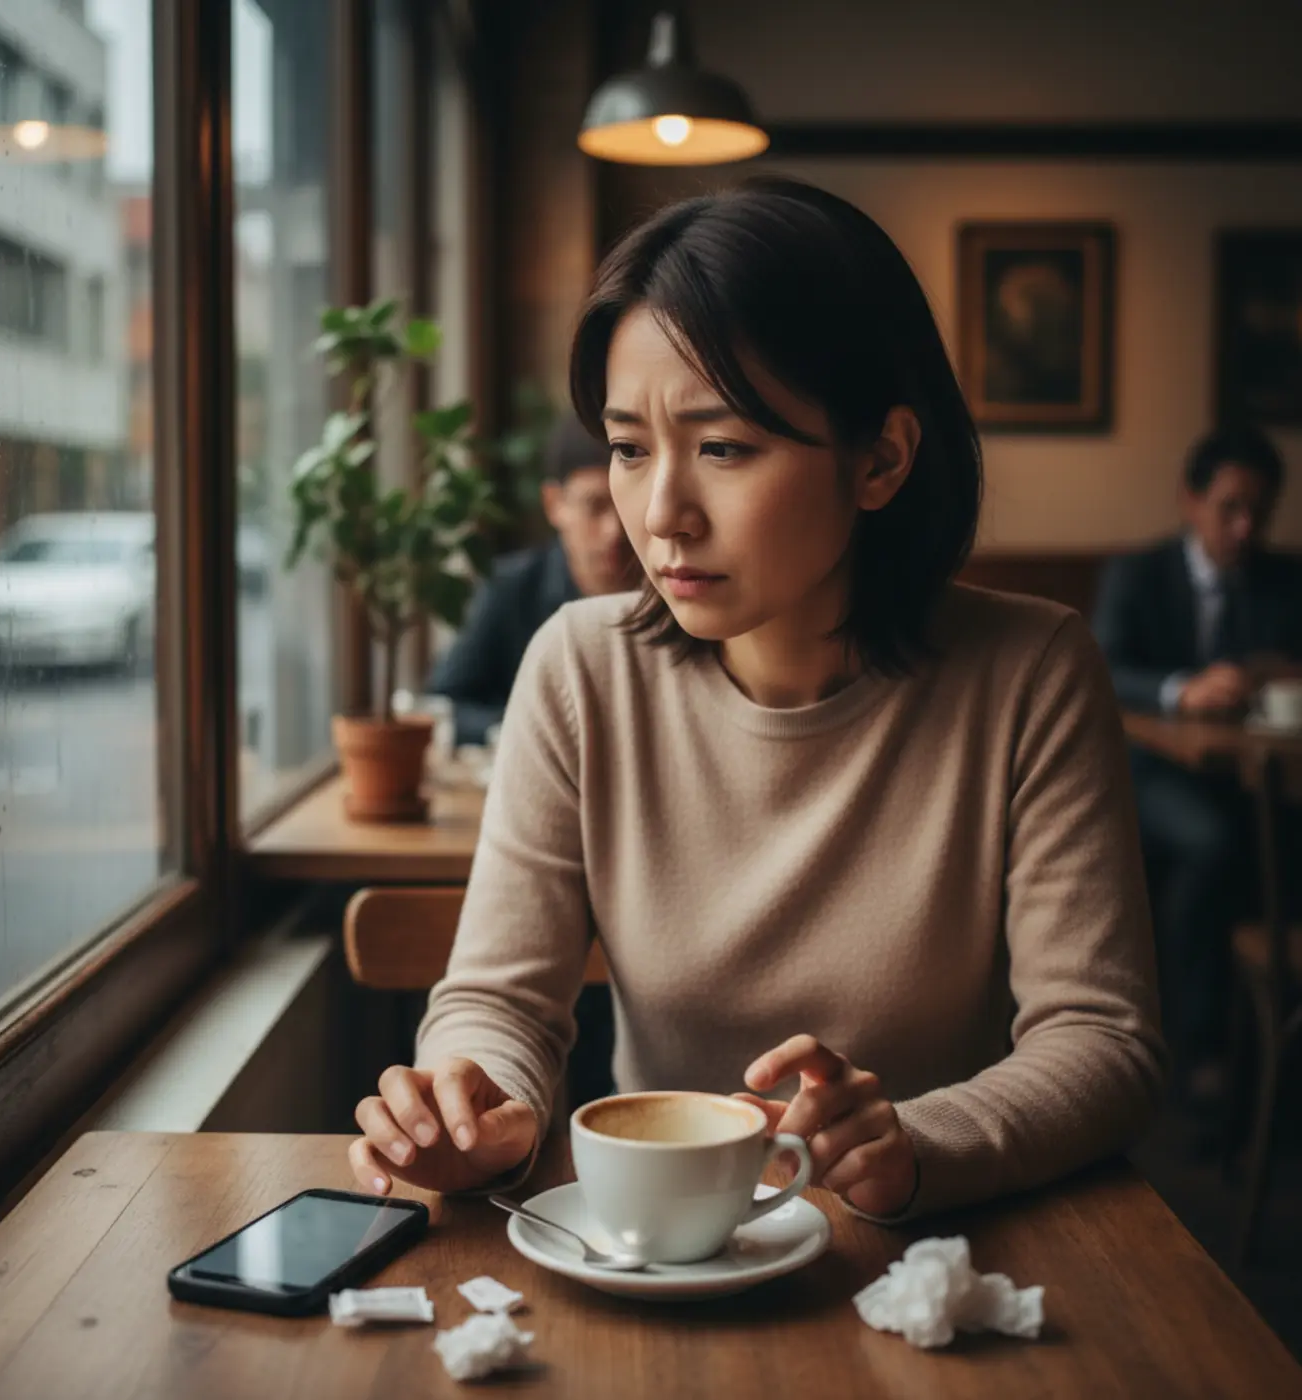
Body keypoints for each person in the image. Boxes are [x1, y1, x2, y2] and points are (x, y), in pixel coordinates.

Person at [351, 177, 1166, 1222]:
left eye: (722, 446)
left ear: (879, 458)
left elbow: (1100, 1037)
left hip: (932, 1259)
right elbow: (498, 998)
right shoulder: (578, 667)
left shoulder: (1031, 670)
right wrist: (481, 1104)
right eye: (628, 447)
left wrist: (911, 1142)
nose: (659, 514)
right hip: (655, 1242)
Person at [1094, 427, 1302, 1101]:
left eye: (1259, 512)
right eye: (1230, 509)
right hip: (1151, 771)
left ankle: (1263, 1051)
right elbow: (1103, 667)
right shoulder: (1139, 573)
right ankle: (1197, 1045)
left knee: (1272, 842)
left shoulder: (1282, 581)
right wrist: (1182, 689)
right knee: (1216, 845)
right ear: (1191, 500)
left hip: (1250, 777)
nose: (1245, 529)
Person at [428, 413, 634, 746]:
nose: (615, 531)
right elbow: (444, 704)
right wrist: (539, 733)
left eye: (627, 505)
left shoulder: (677, 592)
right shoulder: (509, 588)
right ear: (554, 504)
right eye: (595, 506)